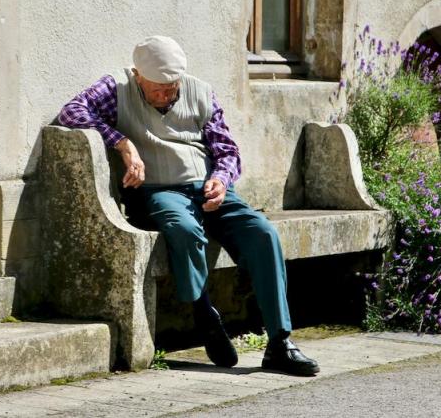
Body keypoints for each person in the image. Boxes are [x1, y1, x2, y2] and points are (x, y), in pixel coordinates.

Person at [58, 35, 319, 376]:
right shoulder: (117, 87)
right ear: (139, 76)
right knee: (183, 228)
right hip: (161, 190)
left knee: (263, 234)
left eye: (172, 87)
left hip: (209, 188)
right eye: (157, 89)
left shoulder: (201, 92)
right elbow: (71, 112)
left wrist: (222, 181)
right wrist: (122, 144)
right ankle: (204, 313)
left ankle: (280, 343)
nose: (166, 95)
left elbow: (227, 151)